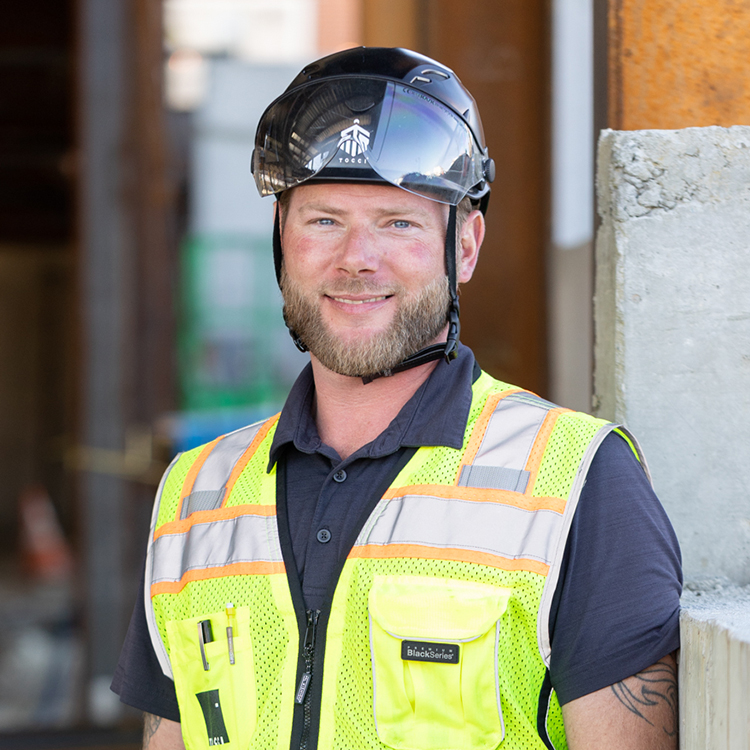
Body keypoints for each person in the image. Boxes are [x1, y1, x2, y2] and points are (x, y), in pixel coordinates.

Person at [112, 47, 682, 750]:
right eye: (323, 220)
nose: (357, 257)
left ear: (464, 247)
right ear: (282, 242)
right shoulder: (194, 496)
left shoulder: (578, 482)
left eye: (397, 222)